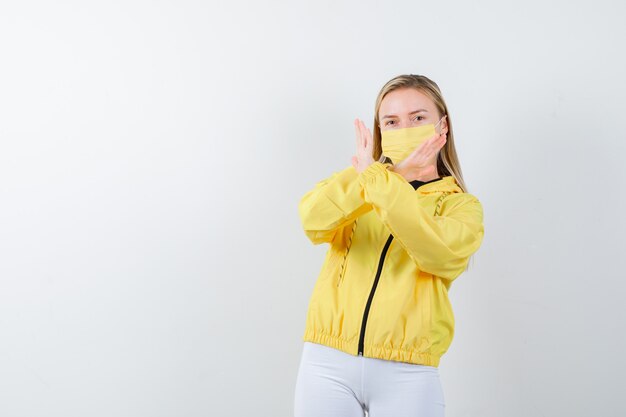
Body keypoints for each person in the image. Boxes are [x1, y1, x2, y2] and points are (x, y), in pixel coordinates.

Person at [293, 74, 485, 417]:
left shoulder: (461, 207)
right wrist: (378, 173)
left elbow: (436, 252)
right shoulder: (361, 184)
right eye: (392, 122)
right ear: (379, 131)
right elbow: (312, 218)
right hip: (326, 363)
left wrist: (380, 181)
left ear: (443, 126)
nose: (405, 128)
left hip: (407, 372)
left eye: (418, 118)